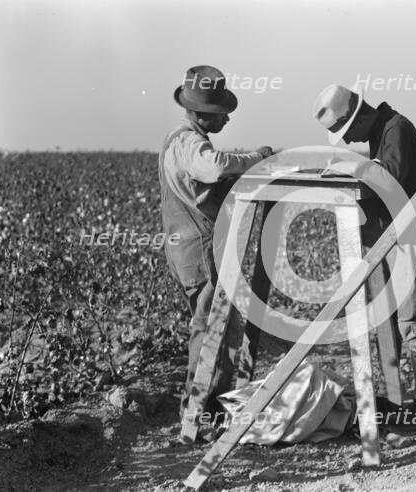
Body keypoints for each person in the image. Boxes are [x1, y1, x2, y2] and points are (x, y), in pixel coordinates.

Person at [313, 84, 416, 421]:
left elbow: (390, 180)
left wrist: (352, 168)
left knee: (413, 318)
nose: (350, 139)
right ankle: (398, 395)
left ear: (358, 119)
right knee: (391, 315)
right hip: (398, 232)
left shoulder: (395, 129)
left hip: (412, 233)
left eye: (347, 132)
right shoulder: (383, 130)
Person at [159, 65, 273, 423]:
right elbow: (214, 167)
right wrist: (256, 159)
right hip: (199, 246)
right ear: (204, 113)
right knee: (211, 326)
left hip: (186, 246)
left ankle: (209, 407)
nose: (226, 119)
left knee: (212, 323)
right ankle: (201, 413)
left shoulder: (180, 138)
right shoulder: (189, 142)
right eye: (222, 113)